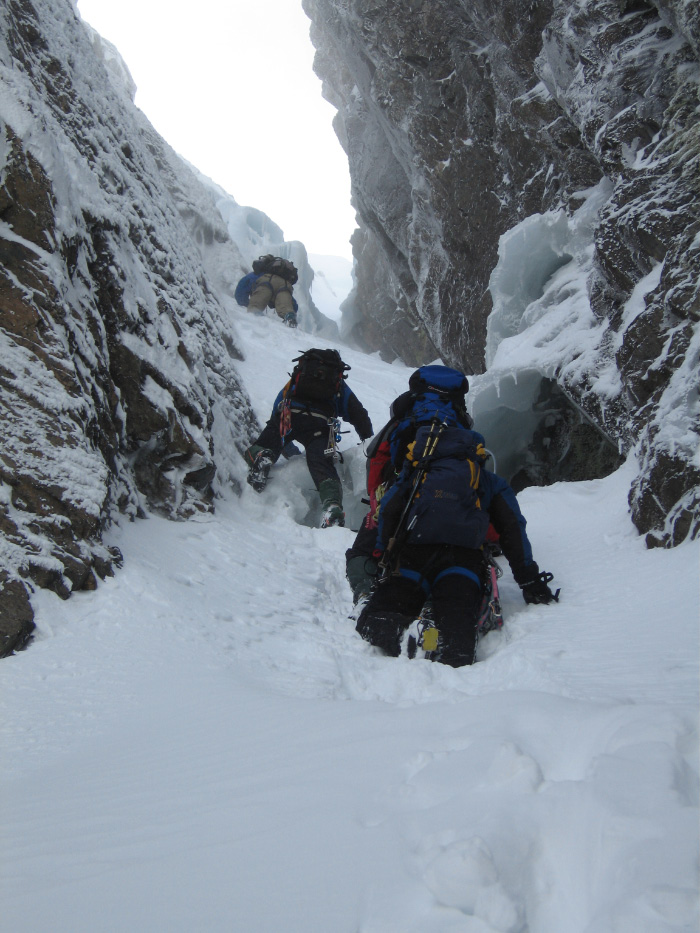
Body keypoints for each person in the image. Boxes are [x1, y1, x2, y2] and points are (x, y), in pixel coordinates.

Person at [354, 365, 558, 667]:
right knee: (458, 633)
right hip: (463, 560)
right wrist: (529, 580)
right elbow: (513, 527)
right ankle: (438, 636)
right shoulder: (484, 478)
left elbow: (392, 508)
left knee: (377, 618)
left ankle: (396, 632)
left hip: (413, 554)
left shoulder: (413, 472)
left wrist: (387, 552)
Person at [244, 349, 373, 527]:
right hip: (320, 426)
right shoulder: (339, 385)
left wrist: (277, 438)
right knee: (322, 465)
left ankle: (262, 456)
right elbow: (359, 414)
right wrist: (368, 442)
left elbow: (278, 403)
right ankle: (332, 507)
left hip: (289, 415)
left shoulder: (300, 375)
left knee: (269, 442)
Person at [234, 255, 298, 327]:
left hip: (267, 281)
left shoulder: (258, 274)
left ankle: (254, 315)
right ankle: (289, 317)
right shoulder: (283, 277)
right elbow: (291, 302)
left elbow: (242, 286)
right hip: (284, 285)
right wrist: (292, 311)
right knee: (284, 300)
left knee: (259, 298)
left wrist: (244, 303)